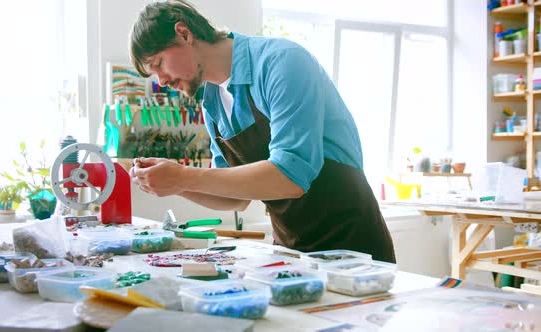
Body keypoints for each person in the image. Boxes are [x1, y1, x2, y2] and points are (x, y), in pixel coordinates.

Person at [128, 0, 395, 262]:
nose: (161, 81)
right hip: (293, 250)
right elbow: (235, 199)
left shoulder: (282, 62)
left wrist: (185, 176)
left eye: (159, 63)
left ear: (184, 33)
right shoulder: (212, 102)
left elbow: (290, 178)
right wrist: (174, 183)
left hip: (352, 246)